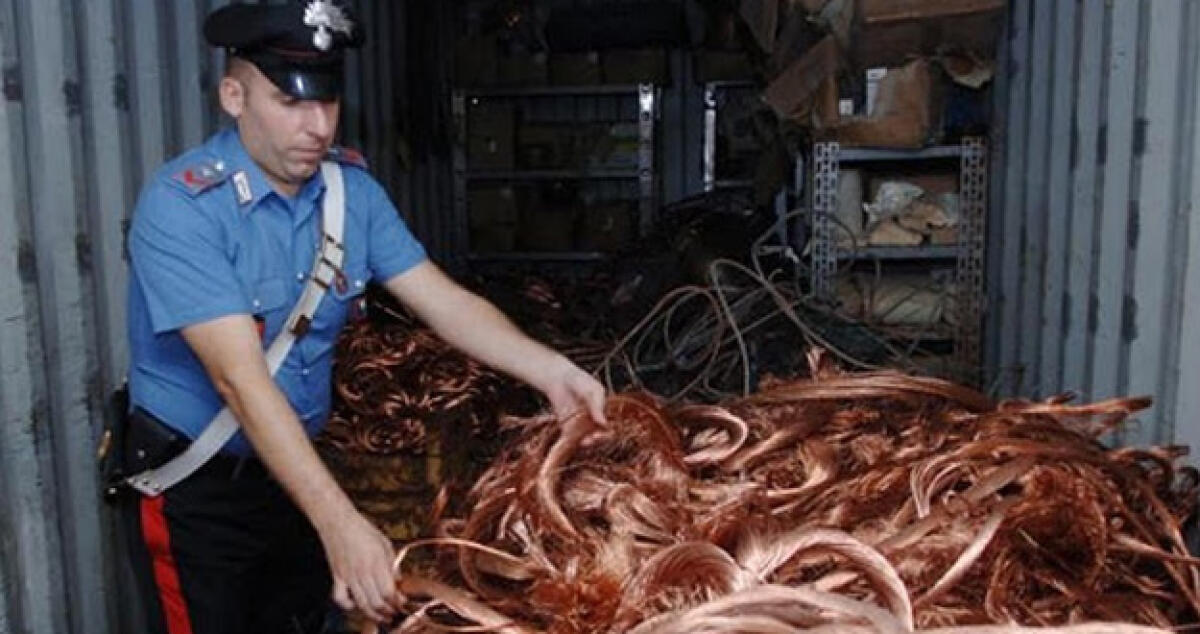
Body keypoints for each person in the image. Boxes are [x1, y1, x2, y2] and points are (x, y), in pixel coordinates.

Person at [120, 1, 607, 632]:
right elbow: (239, 380)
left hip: (294, 473)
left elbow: (444, 301)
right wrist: (341, 524)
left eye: (326, 101)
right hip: (200, 495)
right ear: (233, 97)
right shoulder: (184, 207)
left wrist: (551, 371)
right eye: (290, 102)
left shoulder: (352, 195)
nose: (316, 126)